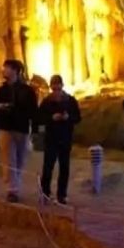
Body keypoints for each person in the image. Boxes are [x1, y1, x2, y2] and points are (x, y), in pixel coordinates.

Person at [0, 59, 38, 203]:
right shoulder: (1, 90)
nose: (3, 70)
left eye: (7, 68)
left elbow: (33, 110)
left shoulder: (27, 90)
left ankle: (15, 184)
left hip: (21, 127)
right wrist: (0, 108)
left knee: (20, 159)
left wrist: (34, 129)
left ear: (15, 71)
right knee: (8, 159)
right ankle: (12, 190)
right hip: (5, 127)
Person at [37, 75, 81, 204]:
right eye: (53, 86)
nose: (56, 89)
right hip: (51, 138)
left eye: (58, 85)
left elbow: (77, 117)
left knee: (64, 167)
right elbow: (39, 118)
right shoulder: (46, 102)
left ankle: (62, 194)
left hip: (65, 137)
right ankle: (45, 192)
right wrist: (51, 118)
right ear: (51, 87)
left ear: (62, 85)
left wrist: (68, 117)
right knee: (48, 167)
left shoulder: (71, 101)